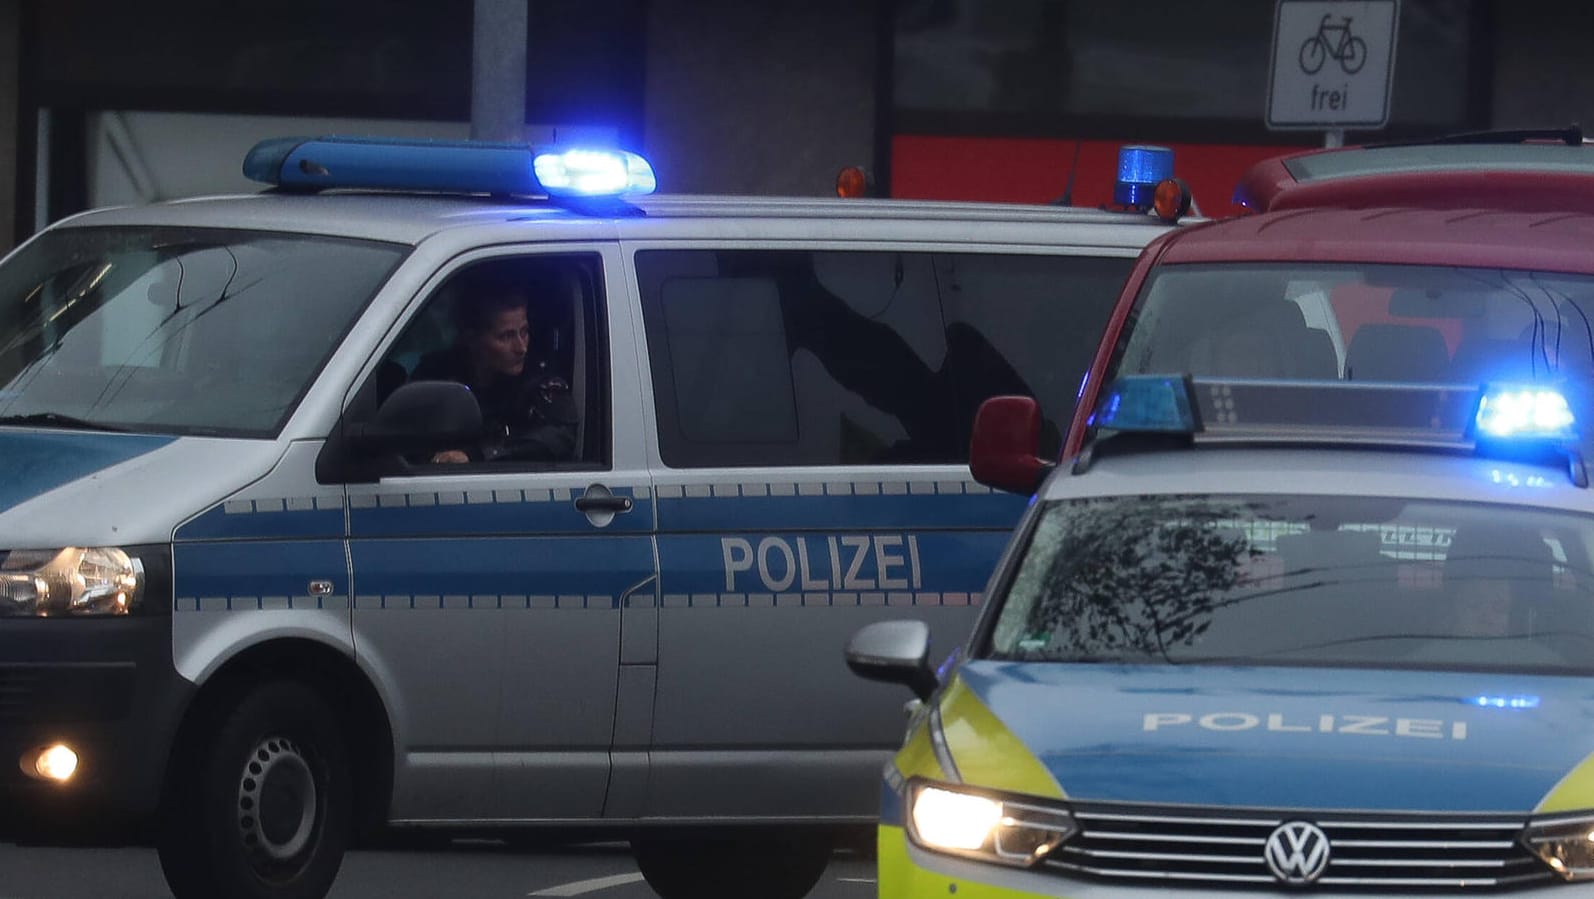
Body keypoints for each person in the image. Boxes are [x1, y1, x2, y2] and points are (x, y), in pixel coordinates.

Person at [411, 276, 577, 463]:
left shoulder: (541, 381)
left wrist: (477, 455)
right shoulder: (434, 378)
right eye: (506, 336)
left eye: (524, 332)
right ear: (472, 339)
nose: (521, 347)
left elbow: (559, 437)